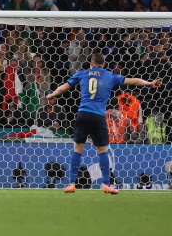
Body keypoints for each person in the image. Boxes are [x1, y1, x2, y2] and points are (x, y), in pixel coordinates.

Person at [46, 53, 162, 194]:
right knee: (102, 150)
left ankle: (71, 184)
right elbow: (133, 81)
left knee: (77, 150)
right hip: (98, 116)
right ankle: (106, 184)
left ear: (91, 63)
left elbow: (63, 88)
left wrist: (52, 95)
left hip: (83, 114)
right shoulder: (110, 75)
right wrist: (150, 83)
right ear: (104, 64)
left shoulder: (82, 73)